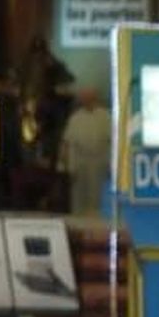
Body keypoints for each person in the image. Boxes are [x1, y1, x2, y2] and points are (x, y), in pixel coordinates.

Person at [59, 84, 114, 218]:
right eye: (83, 97)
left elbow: (113, 141)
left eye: (88, 97)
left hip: (99, 162)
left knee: (97, 197)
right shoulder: (75, 118)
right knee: (78, 198)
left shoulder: (106, 117)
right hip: (79, 162)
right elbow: (66, 142)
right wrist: (64, 165)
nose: (85, 100)